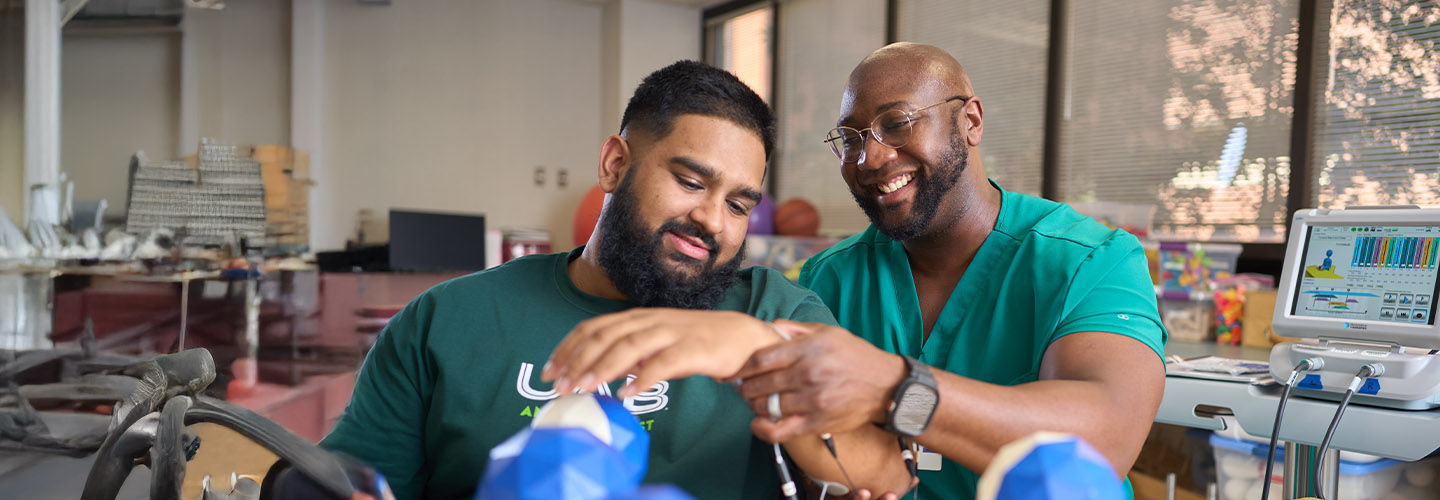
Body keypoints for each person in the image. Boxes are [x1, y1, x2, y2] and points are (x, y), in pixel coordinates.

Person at [318, 61, 896, 500]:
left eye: (739, 205)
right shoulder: (447, 320)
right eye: (691, 182)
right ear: (615, 164)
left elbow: (887, 472)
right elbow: (340, 481)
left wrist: (760, 355)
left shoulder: (777, 314)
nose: (712, 222)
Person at [725, 42, 1169, 498]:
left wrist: (893, 388)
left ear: (970, 121)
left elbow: (1105, 441)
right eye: (852, 139)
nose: (870, 159)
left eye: (896, 124)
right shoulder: (830, 278)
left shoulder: (1089, 260)